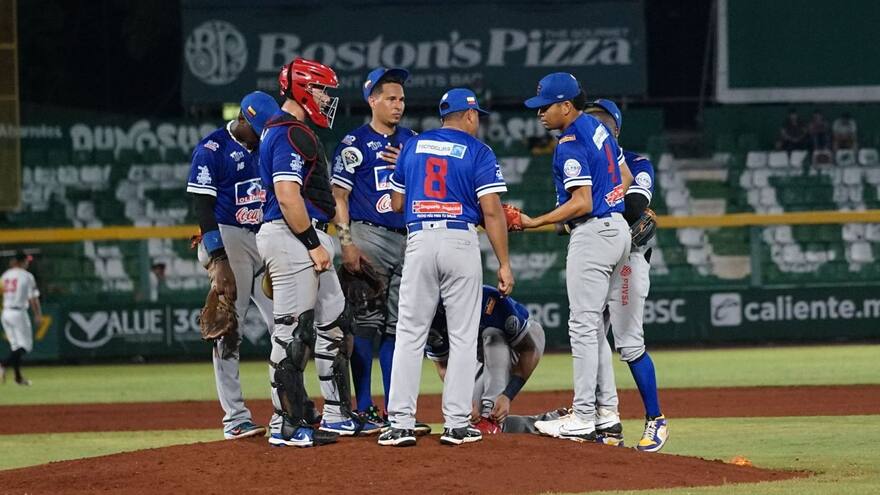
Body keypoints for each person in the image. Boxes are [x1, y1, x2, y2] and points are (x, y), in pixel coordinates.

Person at [378, 88, 513, 447]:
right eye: (477, 116)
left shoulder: (413, 146)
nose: (478, 121)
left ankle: (400, 424)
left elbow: (396, 201)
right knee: (464, 335)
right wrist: (504, 263)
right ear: (469, 116)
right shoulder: (478, 151)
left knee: (409, 333)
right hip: (459, 241)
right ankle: (455, 424)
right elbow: (492, 209)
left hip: (420, 238)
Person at [518, 73, 631, 443]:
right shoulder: (599, 130)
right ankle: (607, 414)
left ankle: (582, 415)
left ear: (566, 105)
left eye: (546, 107)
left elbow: (580, 202)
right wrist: (607, 202)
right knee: (595, 327)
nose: (540, 114)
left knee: (582, 326)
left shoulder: (569, 142)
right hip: (617, 230)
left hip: (594, 233)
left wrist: (536, 221)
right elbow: (625, 177)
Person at [256, 57, 354, 448]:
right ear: (300, 89)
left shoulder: (287, 130)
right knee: (292, 332)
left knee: (334, 322)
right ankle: (286, 422)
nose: (326, 98)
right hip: (293, 235)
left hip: (305, 233)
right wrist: (313, 246)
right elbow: (286, 194)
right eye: (321, 89)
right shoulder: (290, 132)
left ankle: (336, 414)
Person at [330, 67, 420, 433]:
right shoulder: (354, 143)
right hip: (369, 236)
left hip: (408, 238)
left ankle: (396, 409)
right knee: (366, 324)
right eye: (391, 98)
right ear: (373, 100)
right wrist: (347, 243)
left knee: (399, 327)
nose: (398, 105)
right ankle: (364, 407)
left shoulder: (412, 141)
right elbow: (339, 196)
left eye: (401, 98)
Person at [186, 91, 279, 440]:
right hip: (229, 237)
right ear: (242, 119)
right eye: (257, 128)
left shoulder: (267, 146)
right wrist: (218, 258)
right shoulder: (211, 149)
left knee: (286, 324)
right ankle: (235, 418)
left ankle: (287, 404)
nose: (261, 135)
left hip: (264, 236)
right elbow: (202, 207)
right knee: (228, 327)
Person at [586, 99, 669, 452]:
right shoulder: (586, 165)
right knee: (590, 336)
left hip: (628, 262)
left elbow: (636, 205)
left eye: (599, 122)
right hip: (597, 258)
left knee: (629, 343)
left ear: (614, 129)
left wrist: (585, 209)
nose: (591, 128)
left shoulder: (636, 163)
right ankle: (607, 421)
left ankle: (656, 421)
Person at [425, 285, 545, 433]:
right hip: (481, 354)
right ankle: (544, 421)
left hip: (523, 340)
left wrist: (508, 395)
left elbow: (529, 349)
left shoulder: (490, 301)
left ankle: (490, 417)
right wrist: (463, 398)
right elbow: (443, 367)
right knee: (473, 419)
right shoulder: (432, 317)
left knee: (492, 334)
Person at [1, 251, 42, 386]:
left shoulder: (5, 275)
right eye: (26, 261)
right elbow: (33, 298)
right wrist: (37, 314)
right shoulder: (27, 276)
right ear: (21, 262)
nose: (27, 263)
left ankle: (18, 378)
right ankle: (2, 365)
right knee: (25, 346)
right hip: (18, 313)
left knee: (15, 347)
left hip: (6, 312)